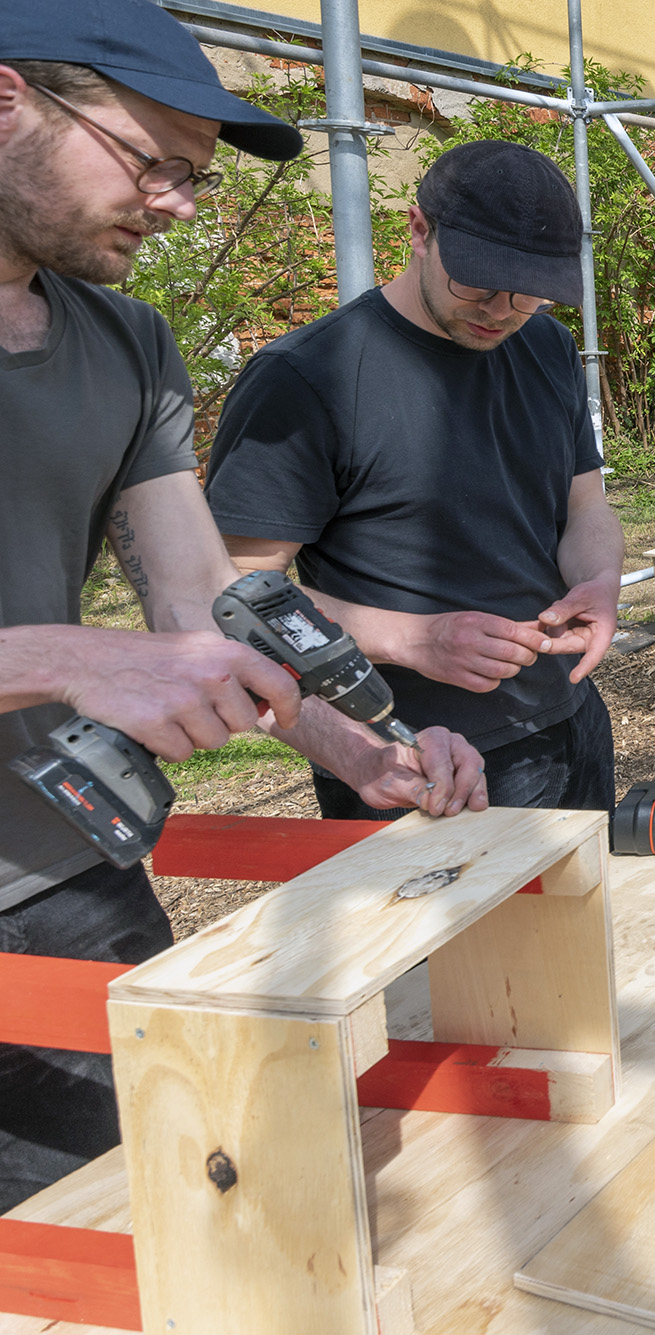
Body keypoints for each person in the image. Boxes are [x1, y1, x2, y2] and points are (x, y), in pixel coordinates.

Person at [0, 0, 486, 1211]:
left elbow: (206, 599)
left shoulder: (129, 345)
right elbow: (108, 655)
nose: (173, 201)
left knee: (167, 1216)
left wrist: (355, 747)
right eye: (150, 159)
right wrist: (66, 657)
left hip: (58, 872)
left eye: (193, 179)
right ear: (9, 97)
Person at [206, 140, 627, 819]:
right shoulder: (308, 379)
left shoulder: (545, 346)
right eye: (479, 283)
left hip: (571, 717)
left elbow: (586, 508)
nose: (501, 310)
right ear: (419, 230)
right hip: (417, 758)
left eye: (529, 296)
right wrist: (415, 638)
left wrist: (601, 581)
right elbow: (228, 600)